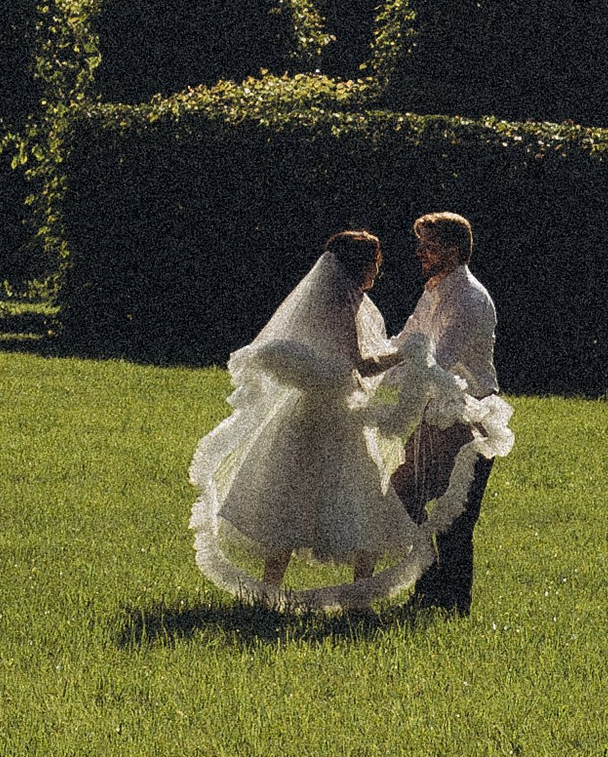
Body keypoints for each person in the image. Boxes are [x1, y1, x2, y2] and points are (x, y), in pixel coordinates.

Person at [189, 230, 448, 612]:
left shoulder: (327, 299)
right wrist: (406, 354)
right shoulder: (343, 303)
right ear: (360, 266)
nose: (378, 269)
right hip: (333, 416)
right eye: (375, 262)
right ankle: (360, 596)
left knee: (293, 502)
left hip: (305, 412)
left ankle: (269, 591)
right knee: (366, 502)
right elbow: (358, 365)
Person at [393, 210, 510, 617]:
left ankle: (453, 606)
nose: (420, 252)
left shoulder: (470, 300)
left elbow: (436, 363)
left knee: (455, 520)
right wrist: (363, 368)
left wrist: (387, 378)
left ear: (455, 251)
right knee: (402, 495)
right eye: (421, 244)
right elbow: (406, 342)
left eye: (429, 246)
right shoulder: (433, 292)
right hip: (437, 413)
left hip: (471, 417)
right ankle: (428, 591)